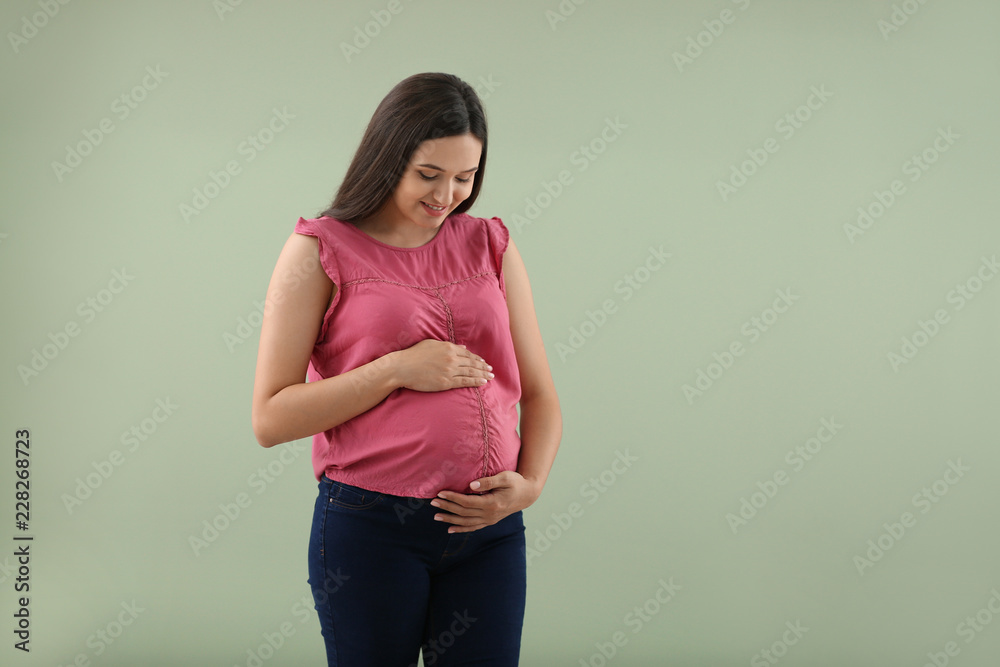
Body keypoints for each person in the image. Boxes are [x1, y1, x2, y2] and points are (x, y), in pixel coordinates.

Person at [250, 72, 562, 666]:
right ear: (387, 157)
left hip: (486, 532)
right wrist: (396, 369)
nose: (446, 196)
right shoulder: (318, 251)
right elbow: (270, 418)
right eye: (428, 175)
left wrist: (530, 486)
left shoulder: (490, 244)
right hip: (371, 531)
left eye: (464, 178)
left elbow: (542, 395)